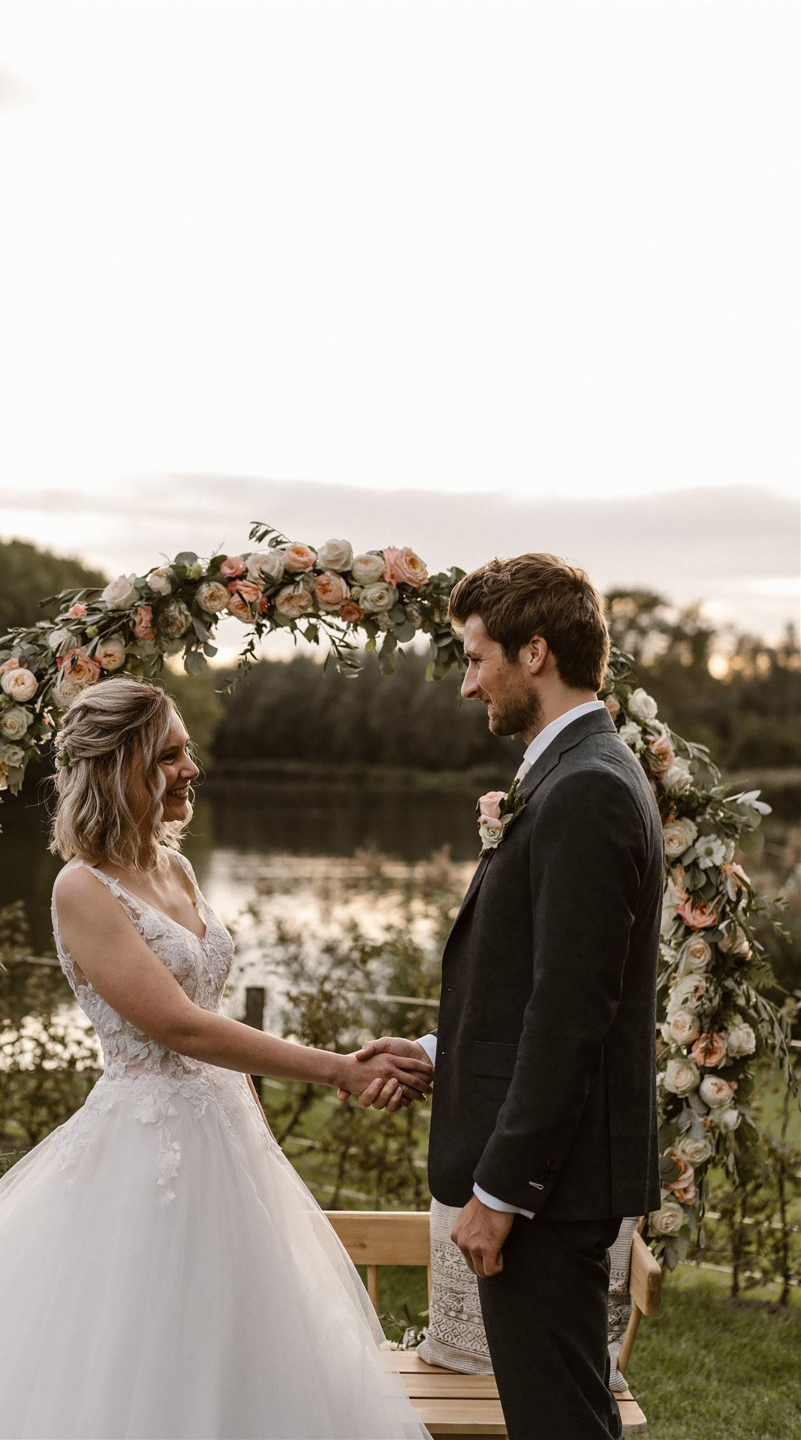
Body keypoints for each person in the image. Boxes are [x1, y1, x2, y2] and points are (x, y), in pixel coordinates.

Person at [0, 677, 433, 1440]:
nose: (191, 769)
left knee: (249, 1336)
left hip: (228, 1139)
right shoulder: (81, 889)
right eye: (170, 755)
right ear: (119, 766)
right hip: (145, 1147)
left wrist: (257, 1128)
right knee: (143, 1343)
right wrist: (339, 1069)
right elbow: (183, 1028)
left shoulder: (176, 868)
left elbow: (208, 1018)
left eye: (187, 751)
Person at [348, 553, 662, 1440]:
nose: (465, 685)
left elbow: (570, 1017)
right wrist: (441, 1055)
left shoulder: (588, 787)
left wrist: (502, 1192)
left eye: (475, 657)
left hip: (549, 1189)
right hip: (553, 1181)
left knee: (559, 1421)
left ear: (534, 652)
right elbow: (534, 984)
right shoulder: (575, 773)